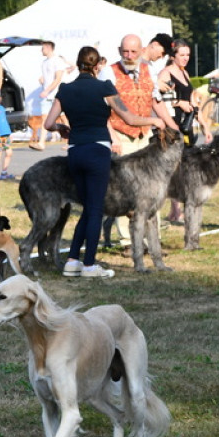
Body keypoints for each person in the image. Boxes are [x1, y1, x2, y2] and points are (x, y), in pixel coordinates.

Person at [44, 46, 165, 279]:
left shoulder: (65, 89)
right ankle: (89, 265)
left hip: (75, 151)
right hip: (97, 150)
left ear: (78, 63)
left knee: (88, 208)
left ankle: (72, 261)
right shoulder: (104, 88)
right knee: (96, 209)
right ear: (98, 64)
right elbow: (129, 117)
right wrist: (155, 120)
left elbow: (49, 123)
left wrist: (62, 128)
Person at [107, 34, 180, 244]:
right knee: (125, 188)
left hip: (145, 136)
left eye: (133, 52)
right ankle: (127, 240)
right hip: (122, 135)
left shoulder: (149, 70)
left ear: (142, 50)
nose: (129, 56)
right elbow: (103, 109)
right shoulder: (110, 72)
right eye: (125, 52)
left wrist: (172, 126)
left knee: (151, 187)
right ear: (119, 50)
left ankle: (151, 238)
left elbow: (156, 102)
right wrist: (113, 137)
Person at [158, 37, 211, 222]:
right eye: (182, 55)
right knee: (174, 169)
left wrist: (204, 124)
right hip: (172, 125)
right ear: (173, 56)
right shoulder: (165, 74)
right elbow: (157, 99)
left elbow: (193, 102)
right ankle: (175, 210)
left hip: (186, 125)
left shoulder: (185, 73)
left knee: (184, 168)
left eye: (188, 55)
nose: (185, 58)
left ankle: (176, 209)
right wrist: (178, 102)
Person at [35, 40, 68, 150]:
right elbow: (48, 77)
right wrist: (43, 80)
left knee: (63, 118)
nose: (41, 50)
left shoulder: (57, 60)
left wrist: (47, 90)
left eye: (43, 48)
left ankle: (71, 140)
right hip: (46, 94)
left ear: (49, 48)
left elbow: (58, 78)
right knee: (45, 118)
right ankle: (41, 143)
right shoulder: (44, 62)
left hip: (56, 94)